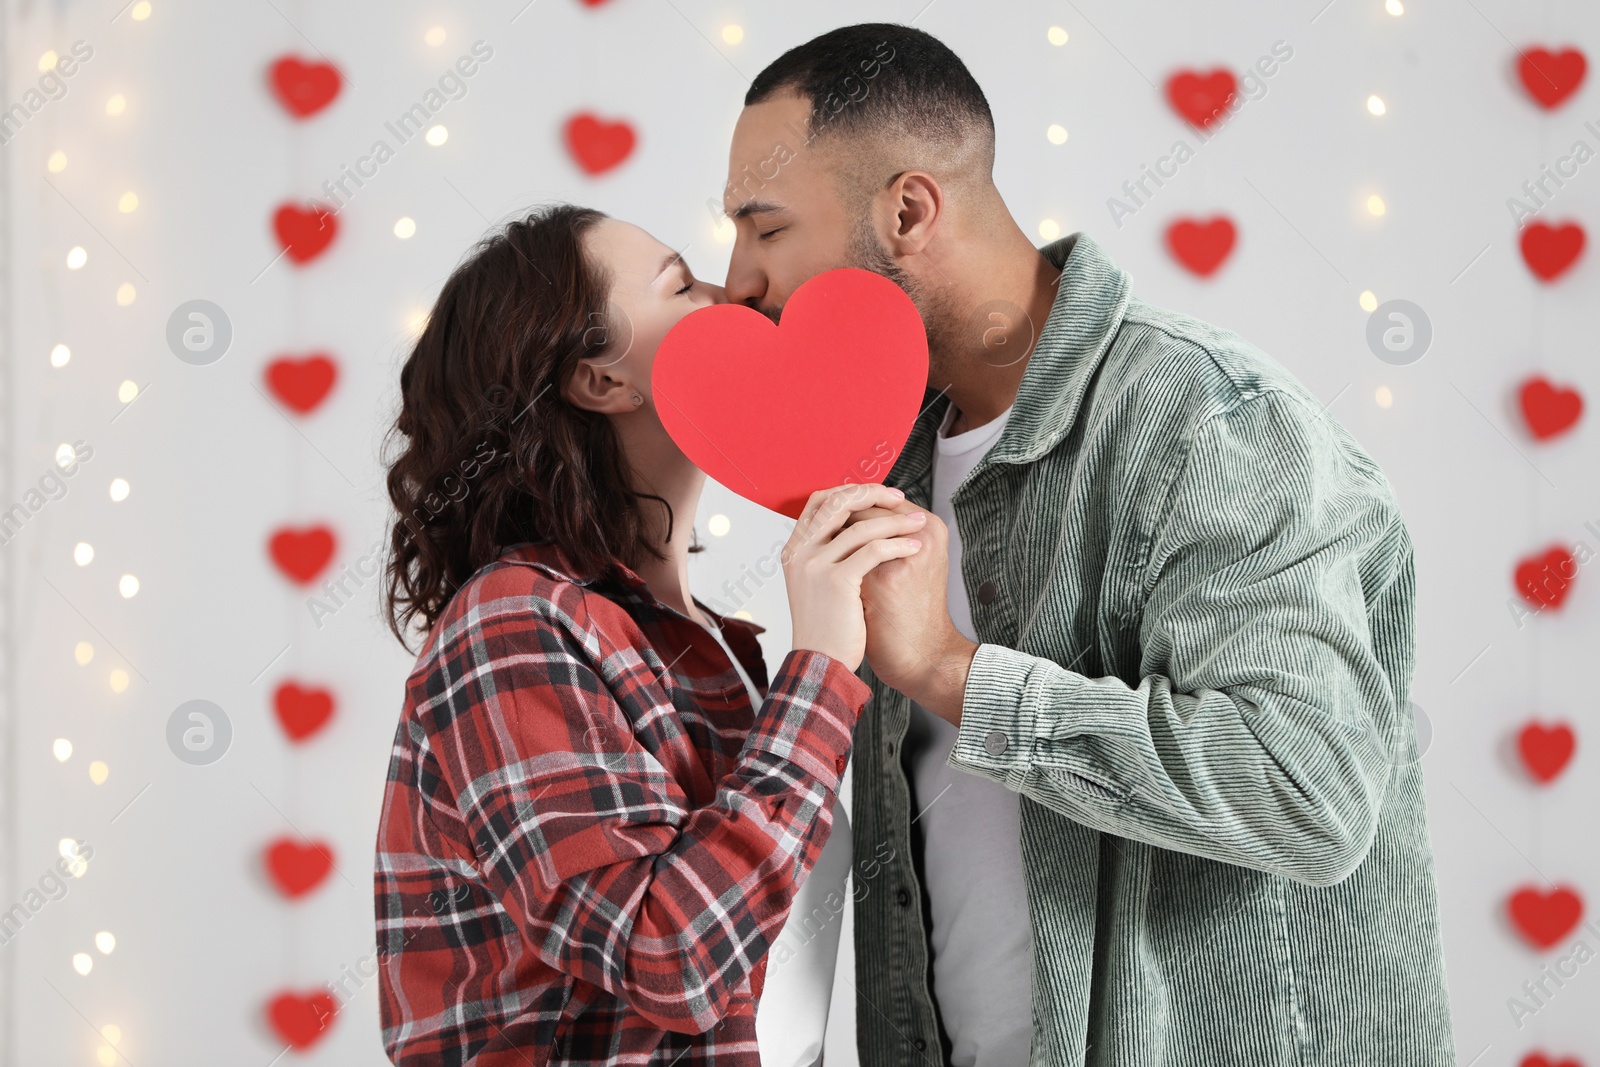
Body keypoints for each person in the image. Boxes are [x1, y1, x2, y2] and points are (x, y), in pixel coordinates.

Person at [720, 23, 1456, 1067]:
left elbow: (1308, 788)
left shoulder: (1209, 421)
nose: (738, 277)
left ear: (907, 210)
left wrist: (947, 670)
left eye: (764, 228)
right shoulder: (884, 464)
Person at [372, 203, 926, 1064]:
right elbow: (668, 956)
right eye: (680, 283)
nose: (732, 294)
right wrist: (818, 669)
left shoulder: (717, 650)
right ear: (602, 381)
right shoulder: (514, 621)